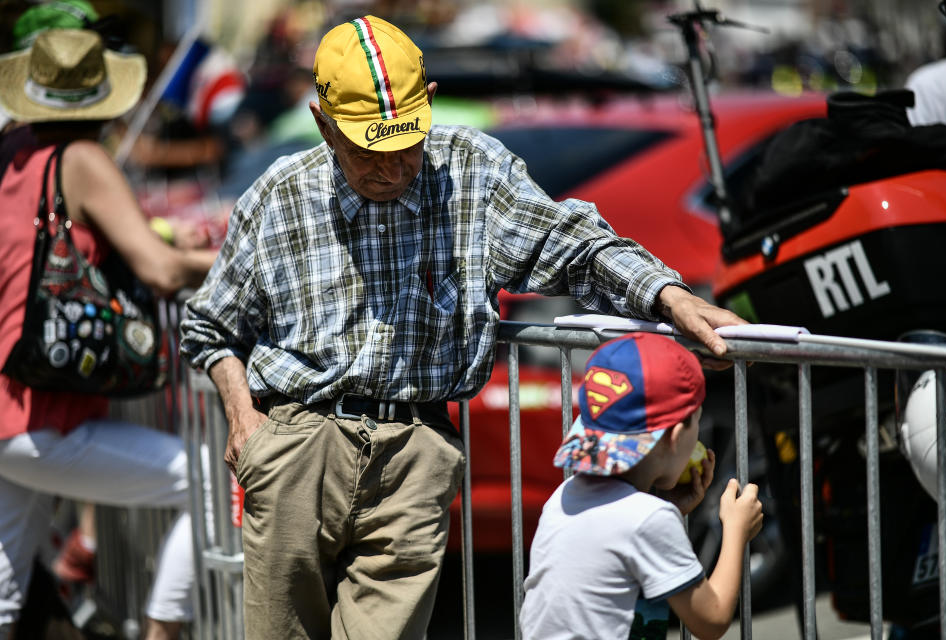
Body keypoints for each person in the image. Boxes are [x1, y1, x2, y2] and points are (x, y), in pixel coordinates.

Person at [178, 14, 746, 640]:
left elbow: (573, 243)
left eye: (407, 144)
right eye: (370, 148)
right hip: (295, 442)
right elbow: (210, 325)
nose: (393, 168)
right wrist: (243, 421)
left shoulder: (471, 171)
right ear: (323, 123)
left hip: (415, 450)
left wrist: (669, 297)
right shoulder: (278, 196)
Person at [0, 29, 216, 640]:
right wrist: (232, 260)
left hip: (10, 409)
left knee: (5, 590)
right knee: (215, 482)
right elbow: (160, 268)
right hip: (41, 416)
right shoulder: (83, 160)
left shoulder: (15, 154)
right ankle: (161, 632)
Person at [519, 332, 763, 640]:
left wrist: (671, 510)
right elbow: (711, 620)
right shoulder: (648, 519)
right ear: (676, 436)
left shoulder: (562, 497)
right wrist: (736, 531)